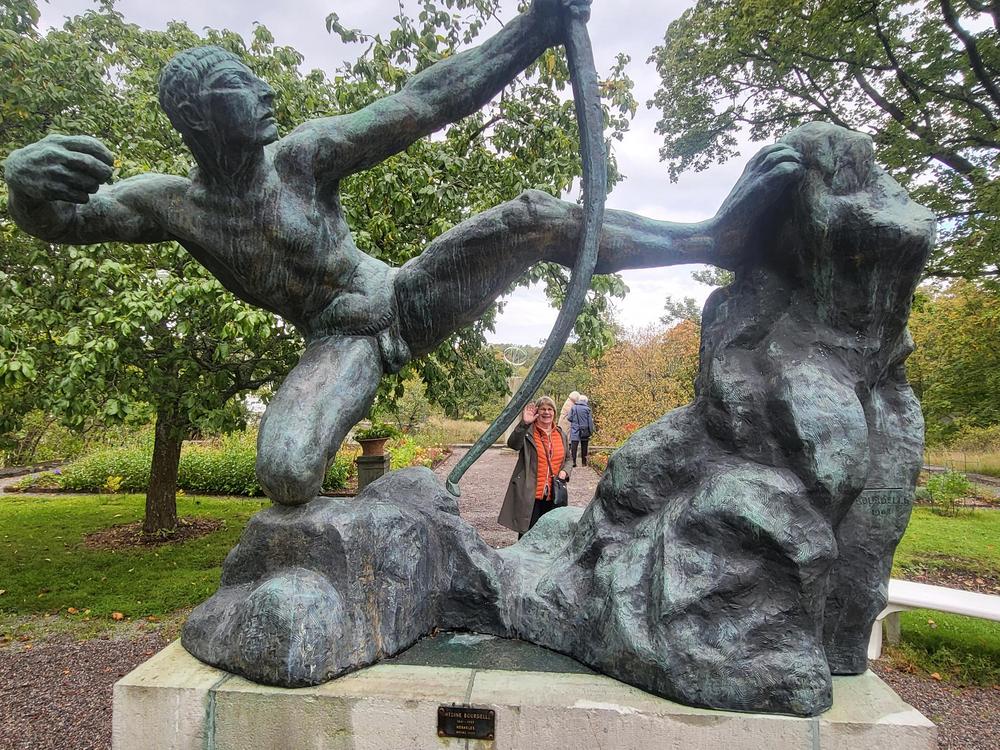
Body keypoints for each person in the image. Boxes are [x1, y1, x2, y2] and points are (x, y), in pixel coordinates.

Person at [4, 0, 803, 508]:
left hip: (405, 298)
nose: (267, 93)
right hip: (342, 341)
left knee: (531, 218)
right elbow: (70, 221)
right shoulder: (169, 203)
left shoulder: (303, 158)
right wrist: (26, 189)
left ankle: (713, 239)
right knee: (286, 474)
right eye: (242, 88)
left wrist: (535, 27)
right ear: (199, 117)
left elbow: (424, 101)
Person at [498, 396, 571, 537]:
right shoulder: (528, 432)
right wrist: (524, 424)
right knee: (528, 535)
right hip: (531, 495)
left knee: (550, 535)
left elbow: (569, 459)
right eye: (543, 409)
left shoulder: (560, 434)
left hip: (554, 494)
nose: (546, 412)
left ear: (554, 412)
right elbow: (513, 444)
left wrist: (565, 472)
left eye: (550, 409)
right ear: (537, 412)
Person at [568, 394, 595, 466]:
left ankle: (573, 462)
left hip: (575, 429)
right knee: (584, 447)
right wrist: (591, 431)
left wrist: (575, 422)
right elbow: (590, 422)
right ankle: (584, 463)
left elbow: (569, 418)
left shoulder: (573, 407)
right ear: (586, 401)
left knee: (574, 447)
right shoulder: (587, 409)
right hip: (584, 430)